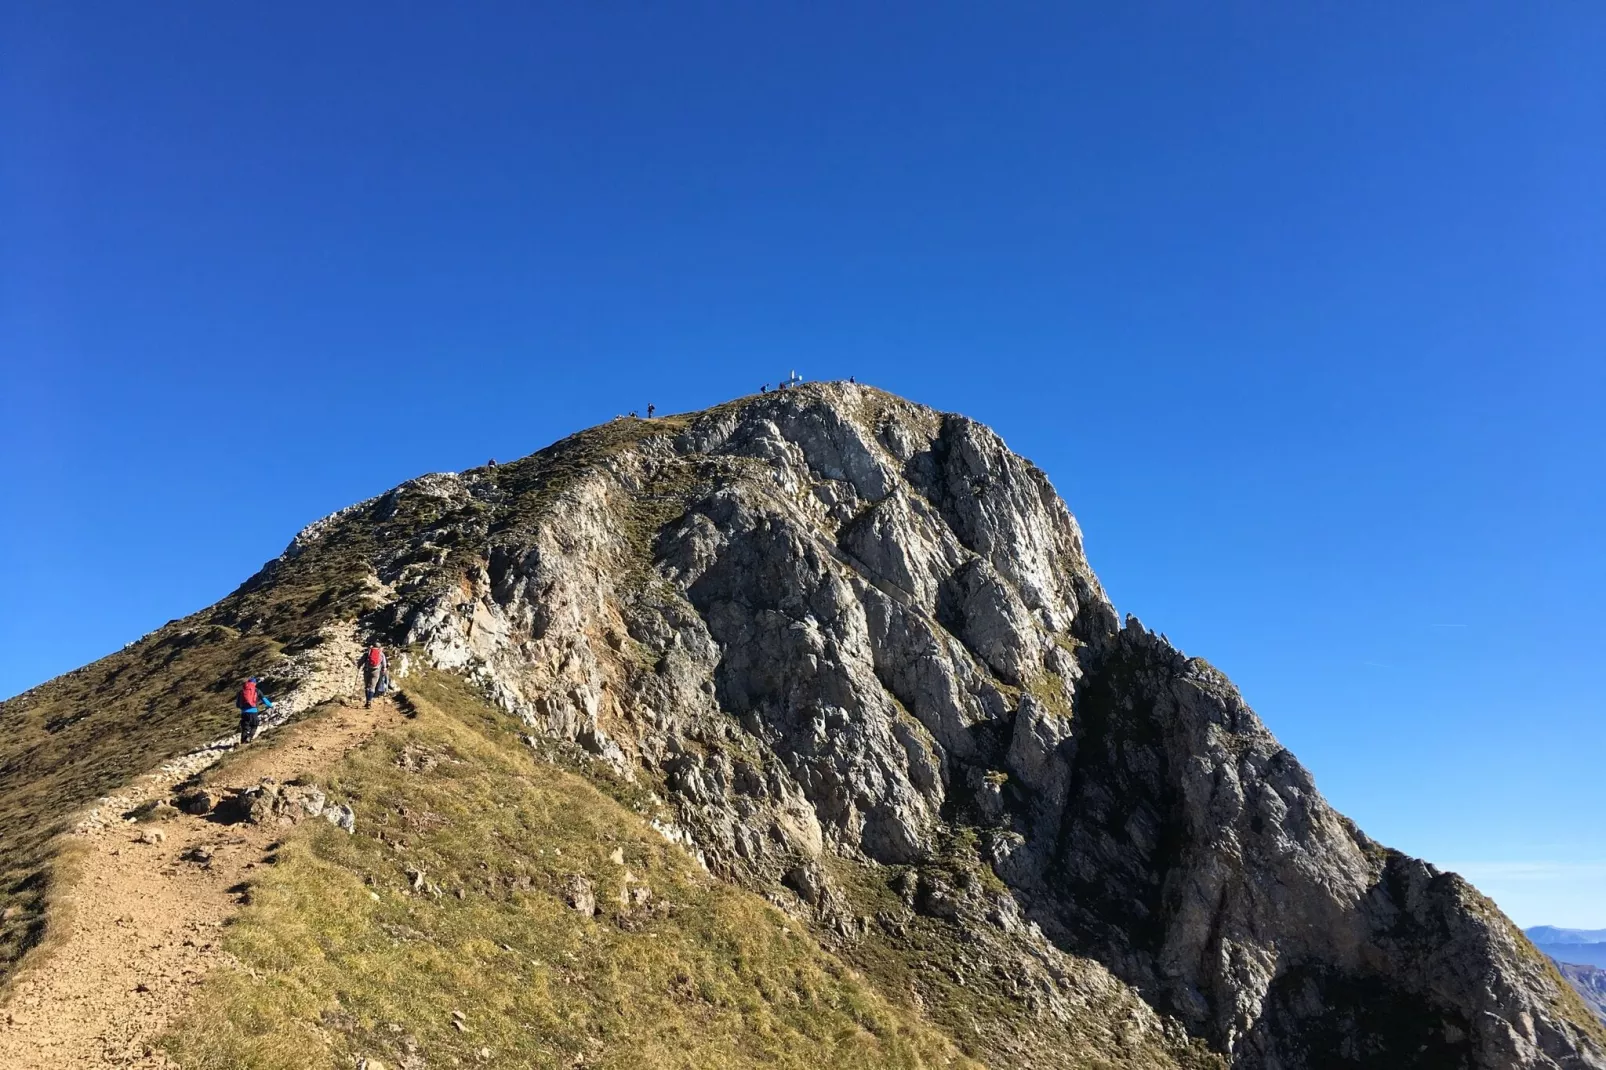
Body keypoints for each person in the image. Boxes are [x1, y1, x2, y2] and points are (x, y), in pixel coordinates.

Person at [236, 676, 272, 744]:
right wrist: (270, 705)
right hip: (253, 712)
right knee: (254, 725)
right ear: (254, 683)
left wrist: (243, 708)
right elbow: (264, 700)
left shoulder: (241, 691)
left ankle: (242, 743)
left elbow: (237, 705)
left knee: (245, 728)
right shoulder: (257, 690)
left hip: (244, 713)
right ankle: (249, 737)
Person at [357, 643, 388, 708]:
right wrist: (383, 670)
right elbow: (384, 665)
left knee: (367, 686)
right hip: (376, 672)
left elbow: (361, 661)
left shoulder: (368, 652)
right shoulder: (381, 654)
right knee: (372, 687)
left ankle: (367, 701)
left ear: (373, 646)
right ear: (379, 647)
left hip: (367, 670)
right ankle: (369, 701)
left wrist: (359, 666)